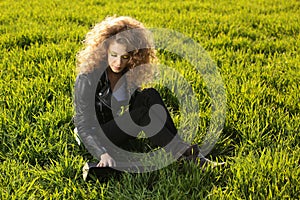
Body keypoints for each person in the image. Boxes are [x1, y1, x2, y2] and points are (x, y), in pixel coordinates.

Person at [74, 16, 211, 170]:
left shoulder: (127, 72)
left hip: (116, 127)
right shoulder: (87, 77)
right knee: (142, 115)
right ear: (104, 50)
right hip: (96, 136)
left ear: (133, 55)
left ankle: (183, 152)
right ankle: (186, 154)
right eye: (114, 55)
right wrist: (102, 154)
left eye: (125, 57)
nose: (118, 63)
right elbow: (83, 125)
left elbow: (137, 102)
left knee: (151, 94)